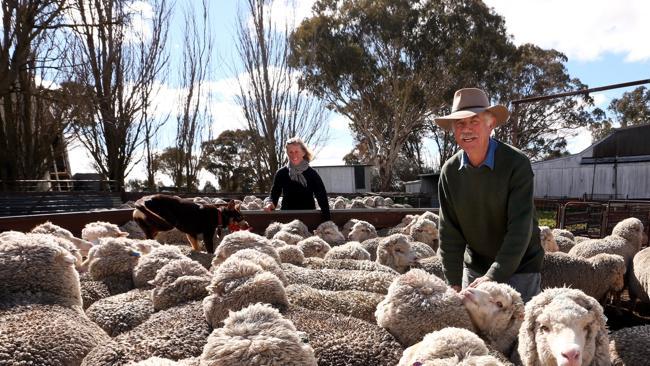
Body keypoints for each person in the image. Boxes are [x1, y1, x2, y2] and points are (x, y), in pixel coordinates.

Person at [435, 88, 544, 302]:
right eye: (460, 124)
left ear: (490, 123)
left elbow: (520, 228)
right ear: (453, 130)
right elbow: (449, 231)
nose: (466, 130)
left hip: (520, 268)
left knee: (519, 330)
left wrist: (493, 276)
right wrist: (454, 282)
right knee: (471, 330)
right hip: (476, 267)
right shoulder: (449, 172)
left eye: (474, 121)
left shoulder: (516, 164)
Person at [264, 137, 331, 222]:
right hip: (286, 218)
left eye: (296, 151)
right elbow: (274, 193)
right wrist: (270, 203)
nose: (293, 155)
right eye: (290, 152)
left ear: (303, 152)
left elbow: (321, 196)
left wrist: (327, 220)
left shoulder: (312, 174)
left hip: (308, 217)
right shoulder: (281, 173)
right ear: (287, 153)